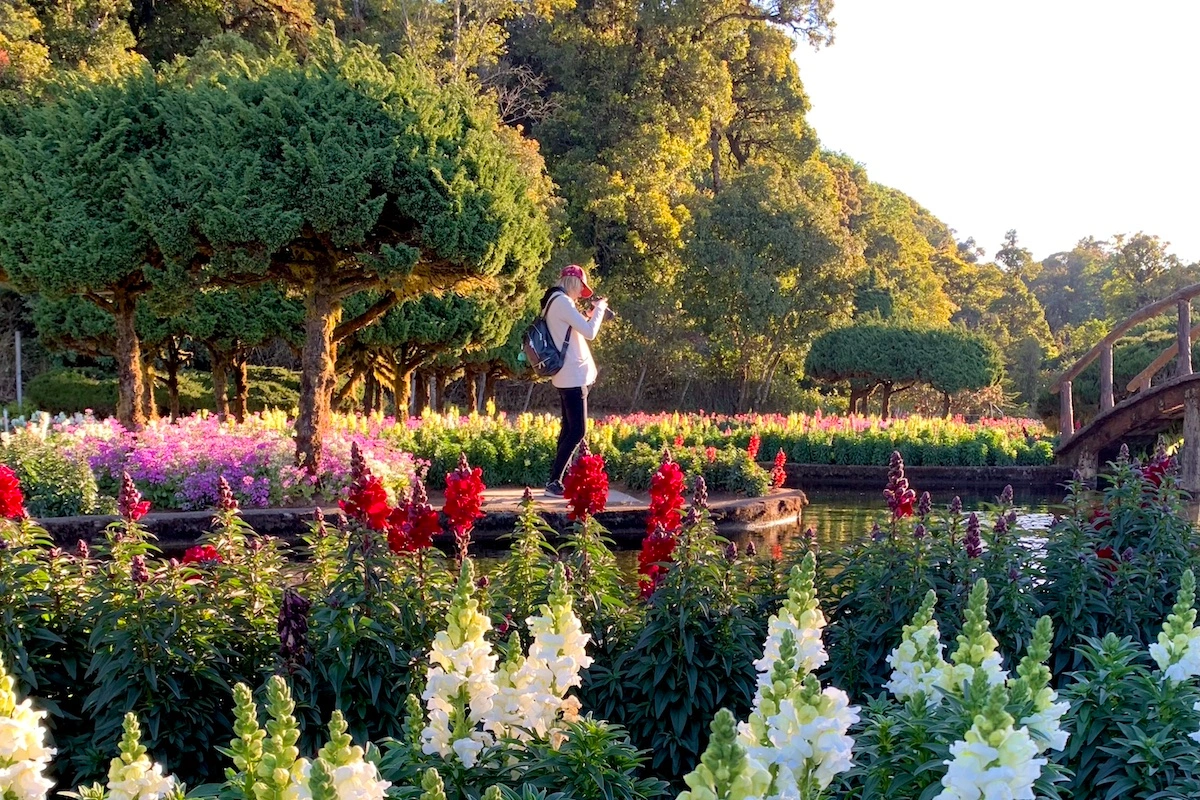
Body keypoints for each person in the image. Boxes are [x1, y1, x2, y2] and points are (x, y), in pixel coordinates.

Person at [543, 264, 610, 496]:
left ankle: (555, 479)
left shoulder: (552, 301)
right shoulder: (562, 302)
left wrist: (590, 316)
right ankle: (554, 481)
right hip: (573, 375)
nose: (580, 293)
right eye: (581, 287)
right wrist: (600, 309)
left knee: (568, 429)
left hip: (565, 375)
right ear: (574, 283)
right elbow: (590, 333)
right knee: (578, 431)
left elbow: (575, 329)